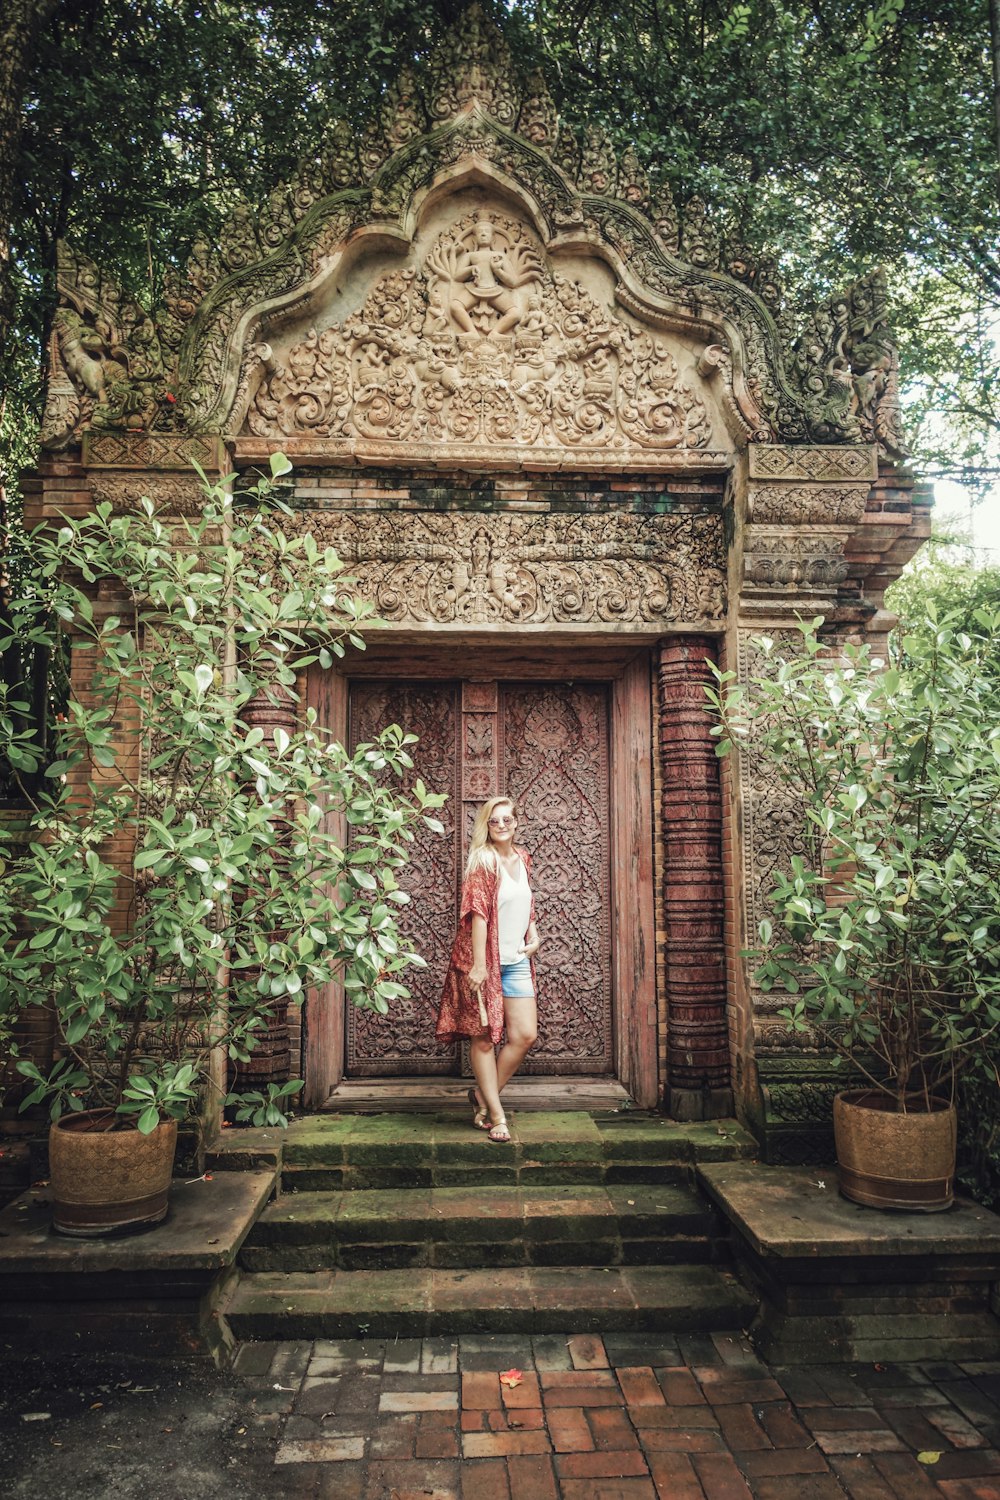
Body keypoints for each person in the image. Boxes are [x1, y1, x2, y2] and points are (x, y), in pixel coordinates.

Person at [435, 794, 541, 1143]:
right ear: (486, 825)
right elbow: (478, 914)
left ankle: (482, 1095)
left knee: (524, 1035)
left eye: (507, 819)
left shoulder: (523, 857)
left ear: (517, 822)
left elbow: (526, 901)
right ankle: (496, 1113)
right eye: (494, 821)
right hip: (485, 963)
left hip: (516, 961)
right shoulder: (483, 861)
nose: (501, 825)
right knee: (483, 1039)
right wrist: (478, 966)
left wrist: (534, 934)